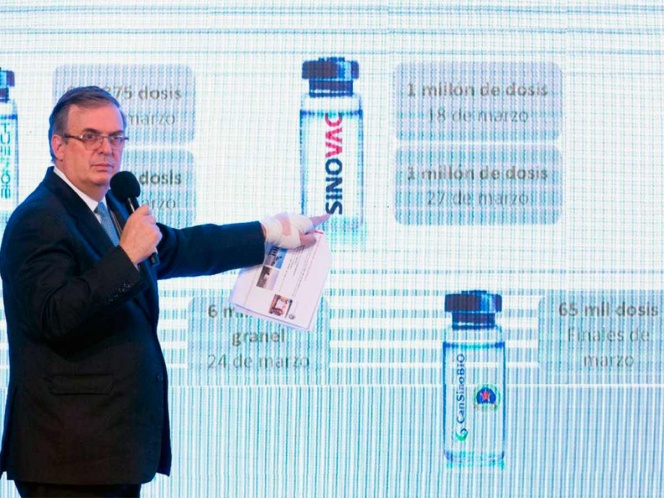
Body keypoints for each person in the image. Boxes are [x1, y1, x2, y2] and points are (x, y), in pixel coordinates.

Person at [0, 86, 327, 498]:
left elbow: (178, 248)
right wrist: (126, 256)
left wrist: (270, 232)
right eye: (90, 136)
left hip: (112, 450)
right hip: (68, 457)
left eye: (116, 137)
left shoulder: (113, 207)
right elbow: (54, 316)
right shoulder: (38, 219)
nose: (106, 149)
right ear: (58, 146)